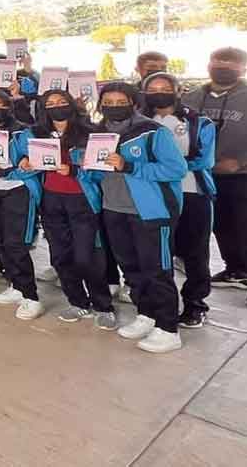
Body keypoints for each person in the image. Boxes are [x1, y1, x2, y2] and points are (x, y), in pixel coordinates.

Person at [82, 82, 187, 353]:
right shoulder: (98, 133)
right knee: (131, 268)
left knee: (157, 270)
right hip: (114, 209)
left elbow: (176, 169)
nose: (114, 107)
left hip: (151, 212)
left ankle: (168, 328)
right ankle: (146, 314)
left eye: (121, 102)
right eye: (108, 102)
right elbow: (97, 173)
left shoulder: (153, 133)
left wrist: (130, 166)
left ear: (134, 102)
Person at [28, 89, 115, 328]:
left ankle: (103, 305)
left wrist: (75, 171)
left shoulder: (90, 134)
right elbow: (31, 163)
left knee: (87, 257)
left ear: (71, 104)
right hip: (51, 200)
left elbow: (100, 170)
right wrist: (26, 163)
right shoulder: (38, 134)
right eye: (50, 103)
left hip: (82, 200)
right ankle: (77, 302)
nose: (56, 107)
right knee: (60, 256)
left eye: (61, 102)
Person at [142, 72, 217, 327]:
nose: (158, 92)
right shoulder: (140, 121)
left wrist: (166, 164)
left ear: (178, 90)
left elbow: (205, 160)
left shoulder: (199, 123)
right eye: (152, 89)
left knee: (195, 253)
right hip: (152, 195)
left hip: (191, 193)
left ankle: (195, 304)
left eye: (164, 87)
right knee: (159, 253)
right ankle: (159, 304)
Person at [182, 47, 247, 292]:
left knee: (242, 223)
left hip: (239, 175)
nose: (223, 65)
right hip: (202, 174)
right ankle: (236, 269)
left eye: (231, 62)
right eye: (218, 60)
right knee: (219, 224)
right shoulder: (191, 97)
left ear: (242, 68)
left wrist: (241, 162)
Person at [0, 91, 44, 320]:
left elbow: (36, 162)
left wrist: (12, 169)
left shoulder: (24, 131)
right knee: (0, 240)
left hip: (17, 190)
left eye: (0, 104)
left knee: (17, 244)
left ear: (9, 108)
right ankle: (16, 286)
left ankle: (31, 296)